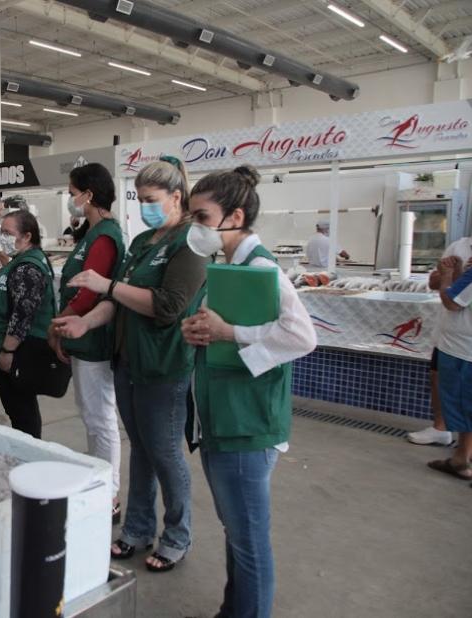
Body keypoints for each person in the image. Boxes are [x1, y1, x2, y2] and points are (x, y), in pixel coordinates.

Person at [53, 158, 206, 573]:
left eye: (153, 199)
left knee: (164, 452)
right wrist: (85, 320)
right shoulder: (142, 244)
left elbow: (169, 307)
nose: (145, 206)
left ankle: (177, 535)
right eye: (140, 198)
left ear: (177, 197)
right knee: (141, 448)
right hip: (129, 362)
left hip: (165, 365)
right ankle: (137, 529)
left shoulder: (190, 242)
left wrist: (107, 285)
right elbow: (116, 301)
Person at [180, 165, 316, 618]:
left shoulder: (262, 271)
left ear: (234, 216)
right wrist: (200, 331)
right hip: (224, 419)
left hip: (246, 426)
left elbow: (301, 337)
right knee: (238, 534)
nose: (194, 228)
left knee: (250, 542)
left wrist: (232, 332)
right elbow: (218, 331)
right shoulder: (226, 268)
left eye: (201, 217)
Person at [48, 163, 126, 522]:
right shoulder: (91, 233)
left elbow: (88, 292)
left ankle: (109, 494)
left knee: (100, 417)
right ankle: (100, 484)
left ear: (88, 195)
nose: (70, 198)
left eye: (71, 191)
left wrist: (60, 323)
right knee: (92, 414)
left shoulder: (106, 236)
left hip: (93, 337)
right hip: (81, 336)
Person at [0, 210, 56, 438]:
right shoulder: (19, 263)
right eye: (1, 231)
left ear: (27, 237)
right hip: (0, 353)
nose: (2, 237)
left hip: (14, 357)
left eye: (7, 232)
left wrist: (8, 350)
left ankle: (29, 457)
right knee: (20, 410)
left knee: (23, 412)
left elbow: (23, 314)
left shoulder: (28, 268)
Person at [407, 236, 472, 446]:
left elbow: (453, 302)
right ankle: (441, 429)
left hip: (465, 339)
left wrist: (450, 278)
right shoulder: (459, 246)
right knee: (440, 377)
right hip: (449, 334)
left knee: (465, 395)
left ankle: (463, 455)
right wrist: (451, 274)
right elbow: (434, 282)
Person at [426, 254, 472, 484]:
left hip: (463, 351)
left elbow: (451, 301)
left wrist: (446, 277)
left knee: (465, 407)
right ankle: (461, 458)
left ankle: (462, 460)